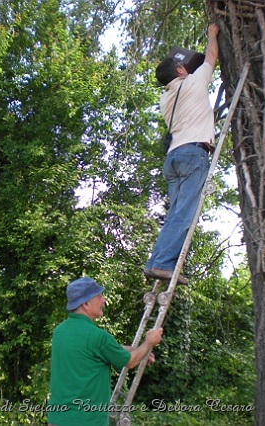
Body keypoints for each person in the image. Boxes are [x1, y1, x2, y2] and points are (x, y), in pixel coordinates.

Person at [144, 23, 220, 286]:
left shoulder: (165, 99)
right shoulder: (193, 82)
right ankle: (163, 264)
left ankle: (156, 263)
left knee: (176, 213)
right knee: (183, 215)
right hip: (192, 156)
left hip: (174, 159)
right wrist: (212, 34)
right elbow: (211, 57)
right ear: (180, 70)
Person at [47, 277, 163, 426]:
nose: (104, 300)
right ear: (86, 304)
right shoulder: (98, 337)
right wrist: (148, 343)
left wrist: (140, 351)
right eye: (99, 296)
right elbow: (130, 361)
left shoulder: (60, 331)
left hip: (57, 419)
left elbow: (108, 351)